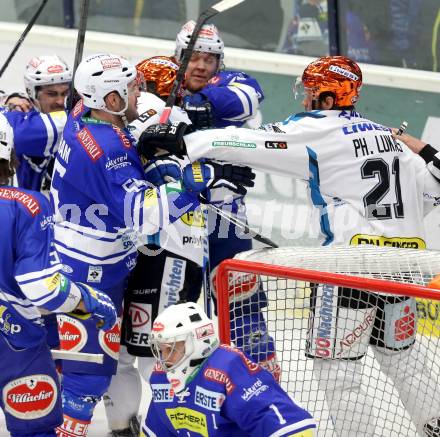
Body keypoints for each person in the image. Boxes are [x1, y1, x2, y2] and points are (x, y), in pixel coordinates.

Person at [138, 55, 440, 436]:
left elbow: (251, 141)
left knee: (339, 373)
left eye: (312, 94)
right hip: (402, 269)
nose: (306, 102)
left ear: (329, 99)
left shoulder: (318, 129)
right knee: (407, 362)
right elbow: (433, 191)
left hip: (349, 269)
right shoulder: (391, 138)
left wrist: (186, 140)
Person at [49, 52, 254, 434]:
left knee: (106, 359)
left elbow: (79, 102)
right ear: (110, 101)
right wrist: (195, 181)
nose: (138, 92)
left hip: (82, 258)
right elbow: (144, 215)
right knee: (91, 368)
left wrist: (147, 145)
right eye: (131, 88)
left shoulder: (82, 116)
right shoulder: (109, 151)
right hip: (91, 272)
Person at [0, 113, 117, 436]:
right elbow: (43, 288)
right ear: (10, 154)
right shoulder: (27, 205)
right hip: (15, 345)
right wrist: (89, 300)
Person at [143, 301, 317, 436]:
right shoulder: (160, 378)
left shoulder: (228, 368)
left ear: (196, 342)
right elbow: (155, 431)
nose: (165, 358)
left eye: (172, 348)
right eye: (161, 349)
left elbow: (292, 428)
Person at [2, 55, 71, 192]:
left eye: (65, 93)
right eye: (52, 94)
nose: (60, 101)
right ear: (31, 93)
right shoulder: (22, 121)